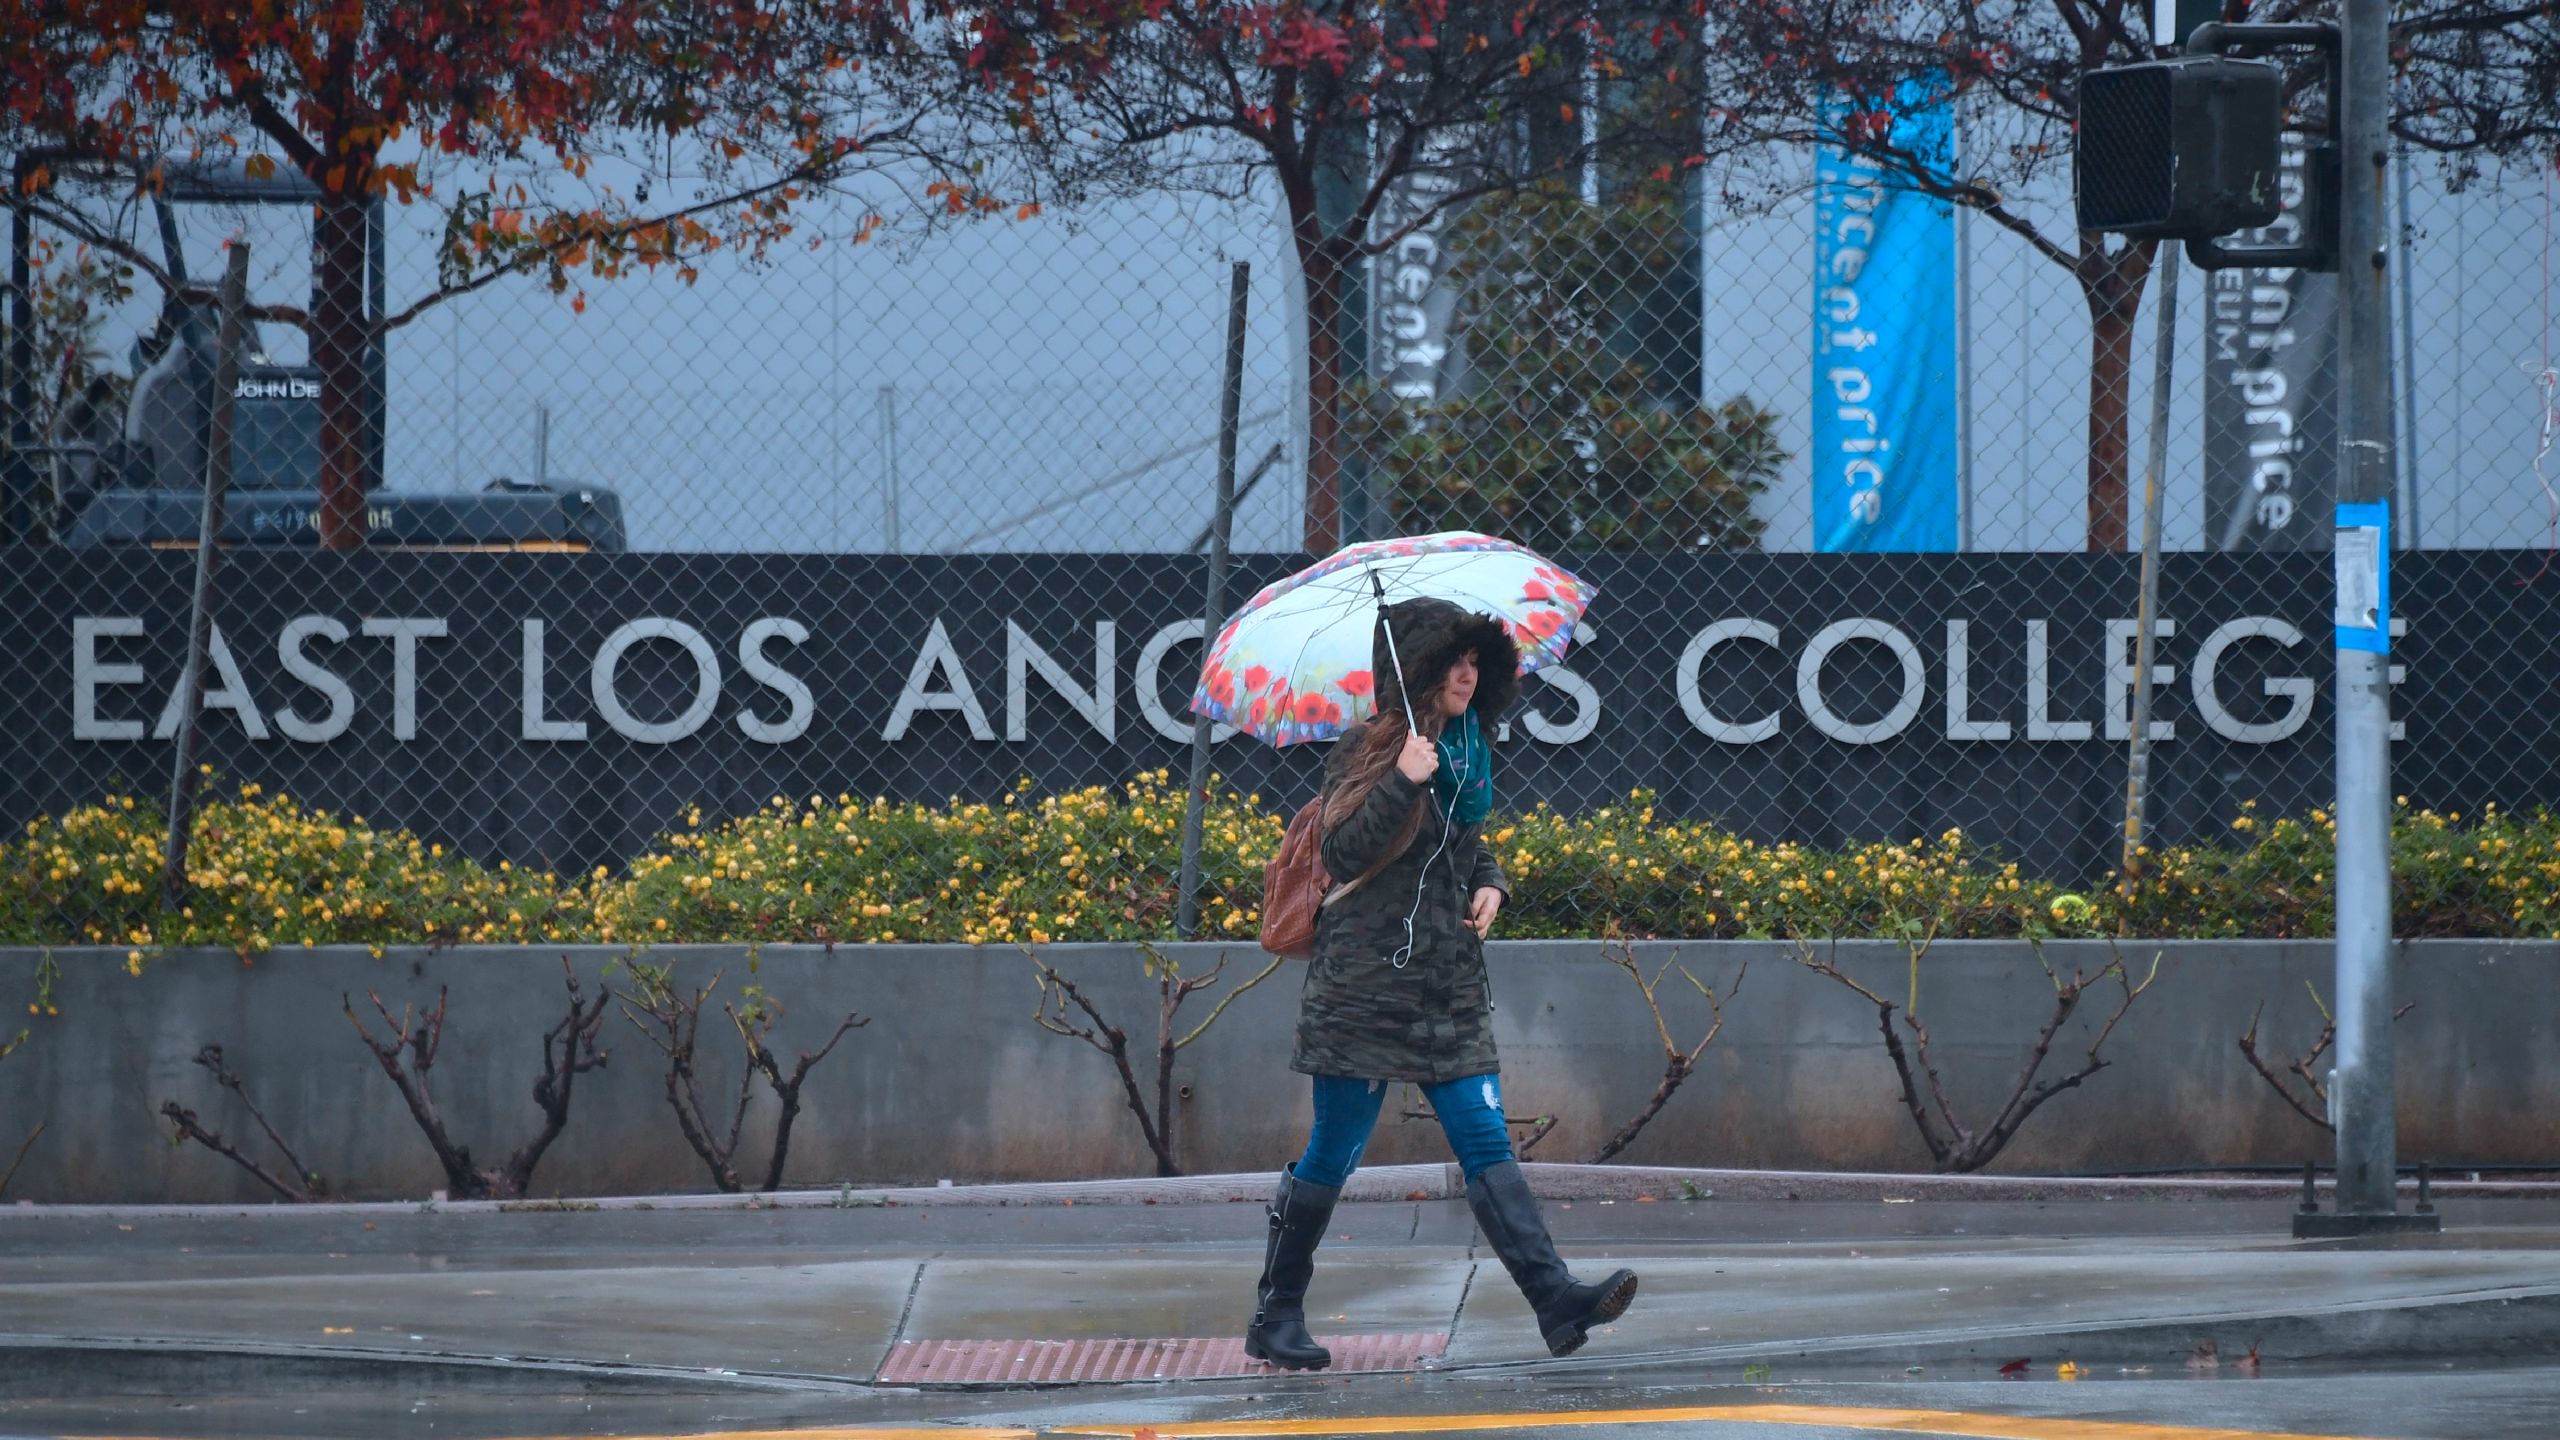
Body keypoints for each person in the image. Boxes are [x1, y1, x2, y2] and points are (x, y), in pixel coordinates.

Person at [1244, 596, 1638, 1371]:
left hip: (1445, 986)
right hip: (1363, 988)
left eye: (1477, 661)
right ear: (1419, 669)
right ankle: (1277, 1313)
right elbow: (1347, 853)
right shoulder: (1368, 748)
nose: (1469, 672)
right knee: (1334, 1151)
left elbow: (1461, 845)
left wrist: (1491, 882)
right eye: (1454, 660)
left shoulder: (1466, 748)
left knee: (1486, 1139)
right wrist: (1399, 778)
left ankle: (1554, 1299)